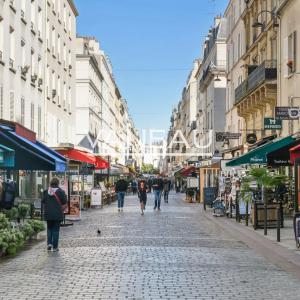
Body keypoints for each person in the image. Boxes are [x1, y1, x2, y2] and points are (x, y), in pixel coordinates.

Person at [42, 177, 67, 252]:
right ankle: (55, 247)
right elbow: (64, 202)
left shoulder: (46, 191)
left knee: (49, 229)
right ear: (58, 183)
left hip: (48, 214)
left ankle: (49, 244)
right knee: (56, 230)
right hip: (57, 214)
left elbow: (43, 201)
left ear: (51, 183)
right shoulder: (61, 192)